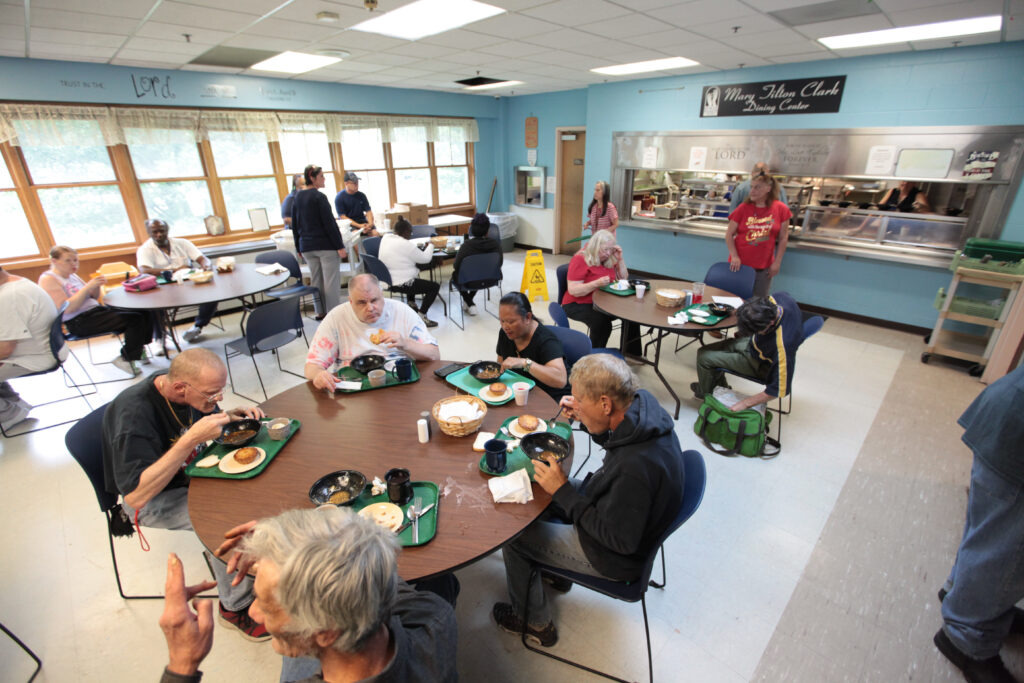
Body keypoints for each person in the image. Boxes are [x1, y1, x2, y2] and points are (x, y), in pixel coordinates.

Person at [493, 353, 685, 646]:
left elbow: (619, 539)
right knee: (539, 490)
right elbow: (619, 445)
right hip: (612, 504)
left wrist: (564, 492)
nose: (575, 404)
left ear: (605, 403)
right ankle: (554, 570)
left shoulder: (637, 468)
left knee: (515, 536)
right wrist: (587, 419)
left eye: (580, 400)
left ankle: (534, 622)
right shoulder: (640, 406)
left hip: (615, 554)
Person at [157, 507, 458, 683]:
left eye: (266, 605)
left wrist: (182, 666)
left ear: (325, 632)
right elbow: (374, 572)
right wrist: (295, 546)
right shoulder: (436, 620)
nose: (252, 613)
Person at [101, 348, 267, 641]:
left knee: (256, 484)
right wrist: (190, 439)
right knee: (225, 521)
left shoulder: (177, 387)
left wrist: (226, 416)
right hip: (153, 497)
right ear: (180, 387)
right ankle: (235, 606)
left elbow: (191, 420)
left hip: (187, 475)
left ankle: (243, 565)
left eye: (220, 392)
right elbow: (136, 497)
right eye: (212, 395)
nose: (218, 401)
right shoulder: (135, 414)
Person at [933, 364, 1024, 683]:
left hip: (1008, 409)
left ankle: (961, 594)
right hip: (1017, 428)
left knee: (989, 532)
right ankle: (966, 638)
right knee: (1008, 551)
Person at [304, 273, 439, 393]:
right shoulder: (336, 318)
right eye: (362, 303)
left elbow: (434, 355)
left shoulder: (402, 311)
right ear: (350, 302)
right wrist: (318, 375)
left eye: (374, 300)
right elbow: (312, 366)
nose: (370, 308)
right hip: (353, 385)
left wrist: (405, 344)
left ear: (382, 296)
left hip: (399, 383)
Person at [39, 245, 152, 377]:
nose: (73, 264)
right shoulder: (48, 279)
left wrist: (96, 286)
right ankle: (127, 357)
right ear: (54, 261)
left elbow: (93, 297)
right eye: (68, 261)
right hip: (78, 321)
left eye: (75, 260)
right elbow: (67, 308)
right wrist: (88, 287)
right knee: (135, 319)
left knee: (144, 311)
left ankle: (137, 349)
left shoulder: (72, 275)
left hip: (95, 312)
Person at [692, 293, 803, 411]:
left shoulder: (783, 346)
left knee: (705, 357)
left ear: (769, 323)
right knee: (705, 350)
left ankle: (711, 399)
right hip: (754, 344)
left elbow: (778, 390)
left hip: (762, 363)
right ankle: (718, 389)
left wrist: (745, 403)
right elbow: (753, 307)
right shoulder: (779, 299)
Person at [0, 265, 67, 431]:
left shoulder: (8, 296)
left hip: (34, 357)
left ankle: (8, 413)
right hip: (51, 348)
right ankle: (13, 402)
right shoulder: (18, 282)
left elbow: (6, 349)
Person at [560, 230, 641, 355]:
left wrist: (620, 259)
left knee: (630, 314)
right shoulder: (580, 259)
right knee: (602, 322)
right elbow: (573, 290)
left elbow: (624, 278)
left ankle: (631, 353)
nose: (608, 253)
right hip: (578, 303)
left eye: (610, 249)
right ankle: (593, 357)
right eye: (605, 250)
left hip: (604, 301)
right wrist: (595, 284)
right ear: (595, 247)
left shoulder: (609, 258)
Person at [137, 219, 217, 343]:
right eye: (155, 232)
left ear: (167, 230)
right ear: (149, 232)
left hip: (188, 284)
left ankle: (198, 326)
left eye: (162, 231)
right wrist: (174, 270)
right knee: (152, 305)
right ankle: (160, 338)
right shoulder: (145, 249)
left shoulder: (182, 243)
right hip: (163, 288)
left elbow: (202, 259)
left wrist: (207, 265)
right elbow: (144, 269)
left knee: (212, 294)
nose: (159, 234)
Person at [725, 170, 791, 298]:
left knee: (758, 302)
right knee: (734, 298)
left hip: (764, 267)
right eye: (752, 187)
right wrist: (734, 256)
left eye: (757, 187)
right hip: (739, 265)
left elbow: (783, 238)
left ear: (768, 189)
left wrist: (777, 262)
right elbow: (729, 234)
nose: (752, 191)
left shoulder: (781, 209)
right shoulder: (743, 208)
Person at [293, 164, 347, 320]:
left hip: (307, 247)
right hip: (325, 246)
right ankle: (333, 315)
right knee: (331, 282)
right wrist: (340, 246)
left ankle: (320, 312)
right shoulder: (319, 197)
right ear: (313, 177)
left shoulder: (298, 197)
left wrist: (298, 246)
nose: (324, 179)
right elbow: (329, 224)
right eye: (322, 176)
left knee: (316, 280)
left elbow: (295, 225)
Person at [496, 292, 568, 401]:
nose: (505, 326)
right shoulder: (505, 333)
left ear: (528, 317)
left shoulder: (546, 340)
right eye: (502, 321)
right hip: (524, 393)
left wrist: (526, 363)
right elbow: (501, 365)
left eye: (511, 321)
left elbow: (561, 380)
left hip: (552, 398)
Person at [378, 217, 440, 328]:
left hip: (387, 279)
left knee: (412, 272)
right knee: (434, 287)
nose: (410, 235)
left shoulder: (386, 238)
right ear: (406, 232)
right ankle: (421, 316)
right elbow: (425, 259)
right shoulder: (406, 245)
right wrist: (431, 244)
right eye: (410, 232)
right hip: (401, 283)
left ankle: (411, 303)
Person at [451, 213, 502, 316]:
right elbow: (499, 263)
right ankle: (469, 301)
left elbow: (456, 266)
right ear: (487, 231)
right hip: (491, 279)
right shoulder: (496, 245)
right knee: (480, 272)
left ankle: (469, 303)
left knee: (456, 275)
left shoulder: (466, 245)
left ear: (472, 229)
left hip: (470, 282)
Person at [335, 171, 378, 237]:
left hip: (362, 221)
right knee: (355, 236)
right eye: (354, 183)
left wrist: (370, 224)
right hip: (349, 224)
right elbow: (342, 217)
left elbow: (368, 211)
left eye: (357, 182)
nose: (356, 185)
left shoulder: (361, 195)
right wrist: (359, 226)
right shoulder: (339, 197)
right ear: (346, 183)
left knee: (375, 234)